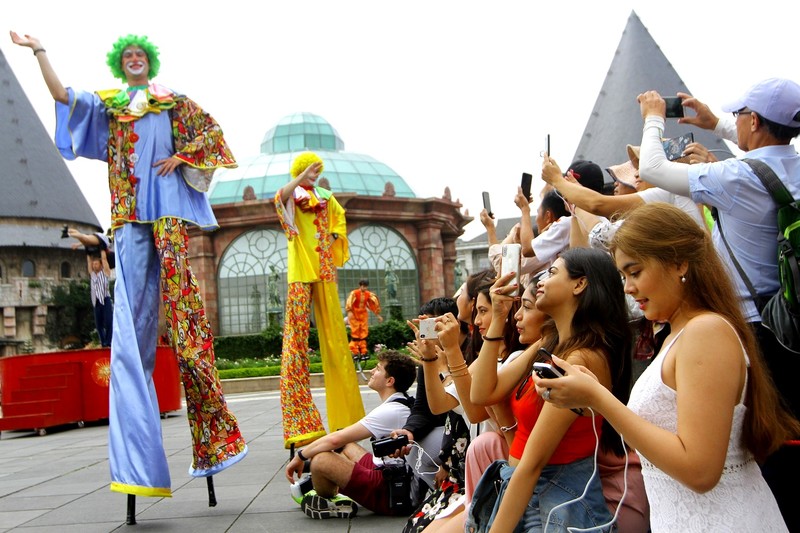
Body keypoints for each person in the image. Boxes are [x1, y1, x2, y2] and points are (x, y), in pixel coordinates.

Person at [10, 31, 247, 498]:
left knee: (188, 324)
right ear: (121, 65)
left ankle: (215, 439)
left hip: (169, 217)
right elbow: (61, 96)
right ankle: (138, 458)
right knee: (129, 329)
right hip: (129, 220)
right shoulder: (111, 103)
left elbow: (213, 136)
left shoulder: (171, 100)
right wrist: (40, 51)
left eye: (141, 54)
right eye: (128, 56)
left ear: (150, 62)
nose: (135, 60)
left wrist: (181, 156)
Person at [538, 202, 800, 532]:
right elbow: (661, 443)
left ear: (678, 263)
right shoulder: (681, 333)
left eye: (635, 272)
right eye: (622, 276)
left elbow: (700, 470)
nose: (628, 288)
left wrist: (598, 398)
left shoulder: (705, 332)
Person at [633, 80, 800, 529]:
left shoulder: (737, 176)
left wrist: (653, 114)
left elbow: (653, 168)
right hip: (795, 320)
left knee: (770, 450)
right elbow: (771, 141)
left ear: (753, 121)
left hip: (758, 328)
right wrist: (718, 123)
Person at [468, 248, 633, 532]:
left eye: (553, 273)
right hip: (528, 490)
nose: (541, 281)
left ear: (580, 284)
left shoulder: (582, 359)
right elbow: (482, 394)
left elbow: (534, 462)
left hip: (559, 498)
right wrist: (497, 317)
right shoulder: (552, 343)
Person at [275, 151, 364, 448]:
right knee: (295, 345)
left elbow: (339, 217)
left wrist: (334, 237)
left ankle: (347, 420)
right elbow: (279, 198)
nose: (315, 174)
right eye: (310, 170)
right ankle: (300, 423)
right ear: (300, 170)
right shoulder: (292, 194)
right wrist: (299, 177)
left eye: (317, 170)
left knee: (337, 342)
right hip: (301, 271)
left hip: (324, 270)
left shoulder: (326, 195)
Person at [284, 350, 417, 518]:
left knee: (320, 460)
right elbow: (341, 439)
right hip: (388, 472)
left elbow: (334, 440)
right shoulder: (400, 401)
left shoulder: (391, 410)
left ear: (390, 381)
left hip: (389, 492)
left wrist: (300, 456)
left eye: (377, 369)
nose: (372, 372)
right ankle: (332, 481)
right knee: (345, 445)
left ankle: (329, 499)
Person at [346, 279, 383, 358]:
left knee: (363, 331)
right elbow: (349, 303)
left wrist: (378, 315)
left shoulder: (368, 294)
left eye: (365, 286)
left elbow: (372, 305)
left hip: (363, 314)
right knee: (355, 331)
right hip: (354, 314)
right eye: (363, 286)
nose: (364, 288)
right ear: (360, 285)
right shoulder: (354, 293)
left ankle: (363, 351)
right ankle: (354, 350)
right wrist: (350, 312)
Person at [88, 250, 113, 347]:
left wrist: (102, 249)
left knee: (108, 321)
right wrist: (88, 252)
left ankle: (109, 341)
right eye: (93, 264)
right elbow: (89, 263)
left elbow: (104, 259)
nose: (94, 266)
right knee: (98, 325)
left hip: (105, 299)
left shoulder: (105, 272)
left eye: (96, 264)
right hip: (96, 301)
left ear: (101, 265)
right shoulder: (93, 275)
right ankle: (103, 342)